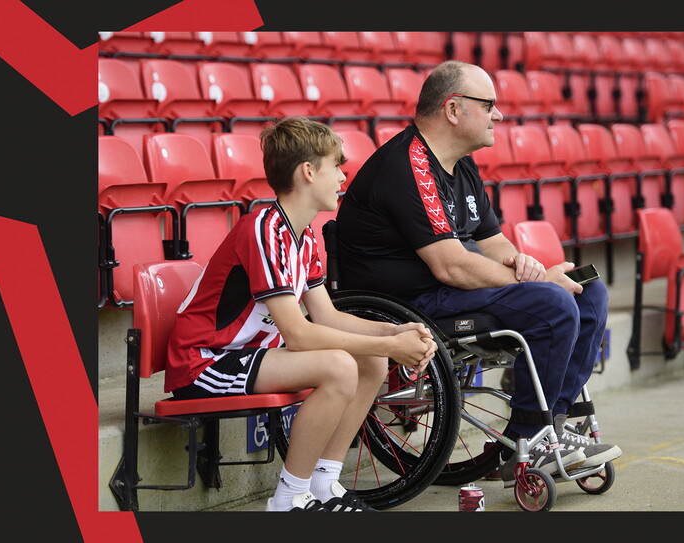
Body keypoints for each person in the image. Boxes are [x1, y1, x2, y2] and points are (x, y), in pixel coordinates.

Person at [335, 60, 621, 487]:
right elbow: (450, 264)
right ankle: (530, 438)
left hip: (446, 290)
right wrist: (540, 282)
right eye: (489, 105)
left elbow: (493, 241)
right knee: (553, 303)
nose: (498, 115)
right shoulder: (408, 165)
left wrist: (525, 265)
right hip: (408, 303)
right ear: (453, 110)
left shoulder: (461, 163)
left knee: (589, 293)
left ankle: (554, 426)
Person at [164, 117, 437, 512]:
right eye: (336, 166)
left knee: (371, 361)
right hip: (205, 362)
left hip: (252, 356)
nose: (343, 177)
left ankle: (325, 483)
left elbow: (327, 317)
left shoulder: (303, 235)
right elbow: (299, 335)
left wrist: (394, 332)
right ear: (308, 171)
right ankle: (289, 499)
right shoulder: (263, 229)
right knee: (340, 367)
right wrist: (391, 345)